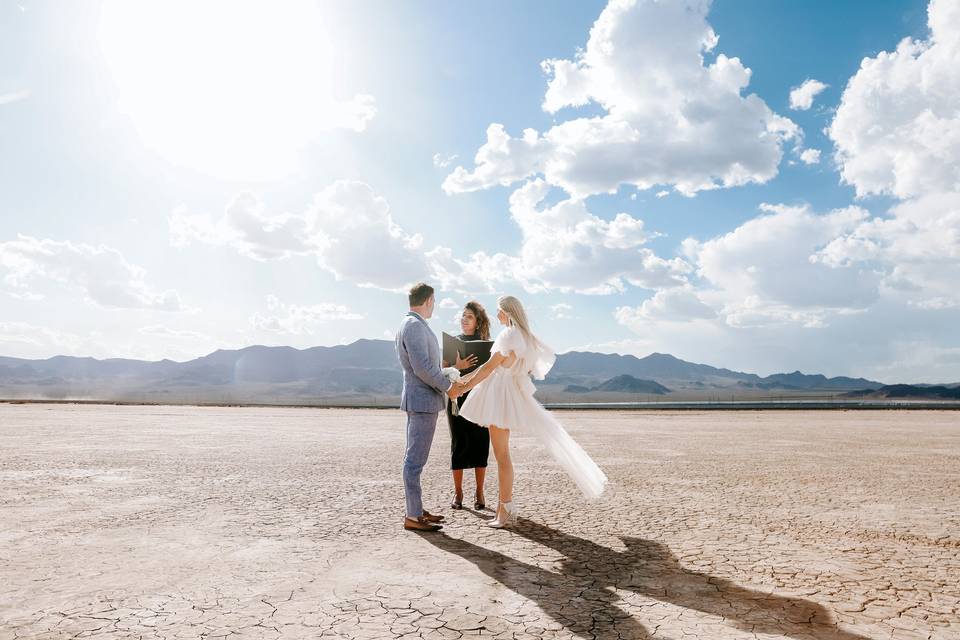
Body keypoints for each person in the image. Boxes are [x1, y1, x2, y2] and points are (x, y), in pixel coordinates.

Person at [458, 295, 608, 528]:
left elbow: (489, 367)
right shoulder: (525, 338)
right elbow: (523, 370)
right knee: (502, 455)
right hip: (509, 393)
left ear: (507, 312)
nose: (497, 315)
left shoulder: (508, 335)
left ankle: (505, 510)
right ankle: (503, 508)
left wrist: (464, 387)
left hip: (499, 395)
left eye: (499, 311)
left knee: (502, 456)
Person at [396, 282, 465, 532]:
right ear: (428, 300)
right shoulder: (414, 326)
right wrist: (448, 387)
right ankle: (413, 516)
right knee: (414, 461)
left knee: (415, 459)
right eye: (434, 302)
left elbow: (425, 366)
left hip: (421, 400)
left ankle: (416, 509)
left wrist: (445, 375)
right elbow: (422, 367)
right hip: (422, 401)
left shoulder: (412, 324)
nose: (434, 306)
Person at [442, 301, 492, 510]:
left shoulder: (487, 344)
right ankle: (458, 491)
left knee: (481, 443)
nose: (464, 319)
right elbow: (442, 371)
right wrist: (458, 366)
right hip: (457, 399)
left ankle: (480, 492)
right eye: (463, 315)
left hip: (481, 399)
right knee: (459, 444)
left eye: (469, 316)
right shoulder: (453, 343)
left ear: (478, 321)